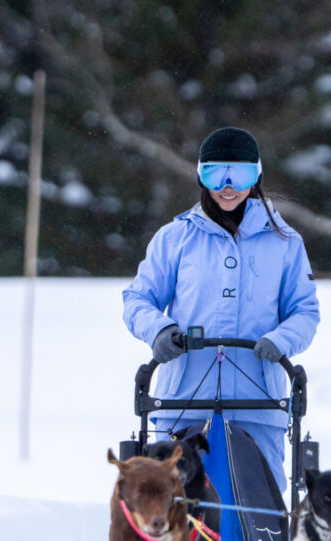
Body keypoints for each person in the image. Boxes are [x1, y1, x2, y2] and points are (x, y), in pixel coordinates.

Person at [123, 127, 320, 493]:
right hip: (183, 400)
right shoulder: (175, 237)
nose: (228, 187)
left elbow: (305, 311)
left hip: (257, 404)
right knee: (176, 503)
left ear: (257, 175)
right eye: (216, 174)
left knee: (259, 503)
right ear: (200, 175)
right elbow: (138, 299)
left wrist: (281, 340)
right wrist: (159, 331)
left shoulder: (285, 242)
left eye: (240, 175)